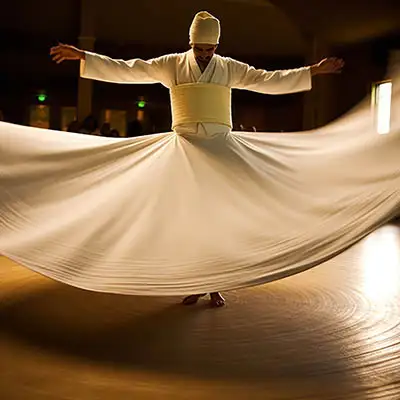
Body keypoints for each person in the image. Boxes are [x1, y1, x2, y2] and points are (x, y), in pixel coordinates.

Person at [48, 11, 344, 308]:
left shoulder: (228, 68)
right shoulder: (172, 64)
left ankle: (215, 284)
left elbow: (266, 78)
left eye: (210, 49)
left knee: (216, 219)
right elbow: (131, 69)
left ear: (217, 46)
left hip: (220, 148)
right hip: (185, 146)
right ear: (190, 43)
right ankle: (194, 281)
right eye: (199, 49)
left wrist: (313, 71)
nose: (204, 55)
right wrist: (84, 56)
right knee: (189, 218)